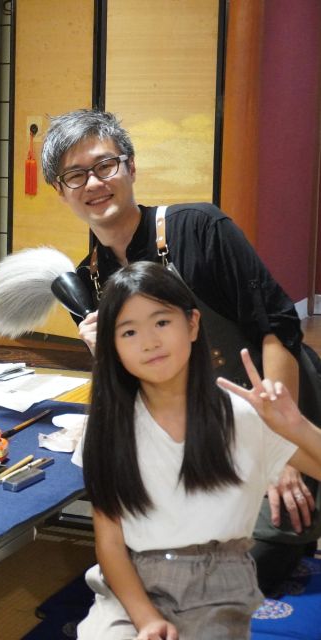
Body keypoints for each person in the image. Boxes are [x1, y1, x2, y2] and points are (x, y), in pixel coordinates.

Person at [41, 108, 321, 593]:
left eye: (105, 165)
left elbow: (277, 328)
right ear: (61, 191)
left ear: (130, 167)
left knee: (244, 562)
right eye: (75, 175)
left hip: (281, 413)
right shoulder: (89, 277)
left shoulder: (199, 228)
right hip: (202, 436)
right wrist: (105, 354)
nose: (94, 183)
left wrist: (283, 453)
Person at [74, 261, 321, 640]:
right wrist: (146, 620)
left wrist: (296, 425)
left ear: (192, 324)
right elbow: (109, 542)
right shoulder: (106, 426)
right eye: (128, 331)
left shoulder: (240, 415)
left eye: (161, 322)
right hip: (128, 588)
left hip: (218, 586)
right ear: (111, 345)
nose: (149, 342)